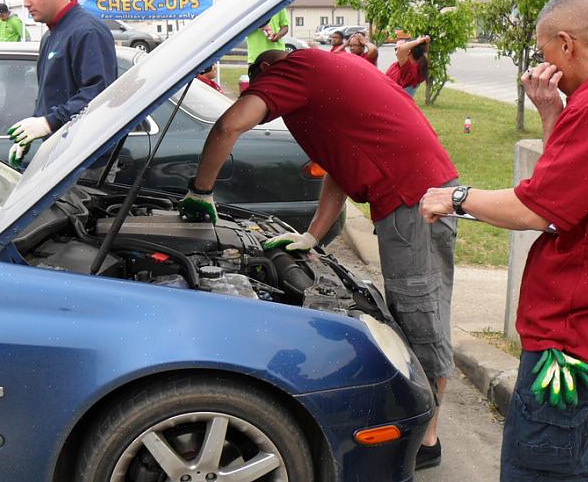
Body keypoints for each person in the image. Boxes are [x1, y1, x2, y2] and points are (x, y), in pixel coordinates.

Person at [419, 0, 588, 481]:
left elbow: (538, 207)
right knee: (569, 465)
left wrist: (452, 197)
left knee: (538, 468)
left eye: (544, 54)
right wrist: (550, 110)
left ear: (566, 45)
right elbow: (573, 187)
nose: (544, 66)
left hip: (570, 336)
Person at [177, 48, 460, 470]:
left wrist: (201, 192)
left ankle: (427, 442)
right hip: (413, 196)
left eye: (262, 89)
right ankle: (421, 425)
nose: (266, 103)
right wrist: (312, 235)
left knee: (422, 315)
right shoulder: (326, 76)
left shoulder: (295, 68)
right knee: (412, 309)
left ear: (268, 72)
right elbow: (337, 168)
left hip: (414, 200)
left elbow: (228, 125)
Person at [7, 0, 117, 168]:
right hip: (60, 156)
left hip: (87, 162)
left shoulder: (87, 31)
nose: (25, 3)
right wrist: (32, 130)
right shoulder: (49, 36)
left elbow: (99, 96)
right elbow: (50, 94)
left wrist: (49, 122)